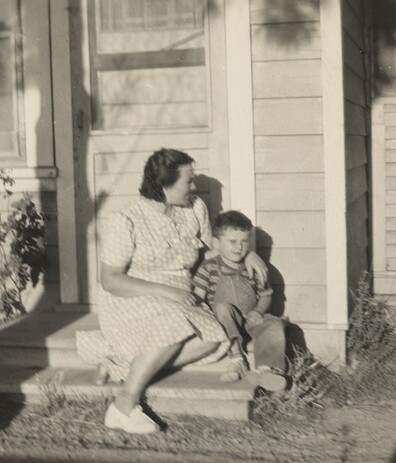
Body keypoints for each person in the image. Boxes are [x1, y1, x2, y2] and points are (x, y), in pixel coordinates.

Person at [76, 148, 268, 434]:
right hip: (133, 296)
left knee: (214, 338)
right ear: (164, 185)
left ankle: (125, 369)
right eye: (187, 181)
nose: (193, 188)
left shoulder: (194, 209)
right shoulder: (126, 218)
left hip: (181, 297)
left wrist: (246, 255)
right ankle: (124, 405)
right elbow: (111, 280)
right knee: (175, 324)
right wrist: (166, 292)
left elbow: (209, 251)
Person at [191, 210, 288, 391]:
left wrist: (258, 311)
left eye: (244, 242)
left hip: (251, 321)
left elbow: (266, 295)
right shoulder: (209, 267)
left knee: (275, 324)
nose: (239, 247)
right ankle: (237, 360)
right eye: (232, 242)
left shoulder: (253, 266)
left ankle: (266, 370)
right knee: (222, 308)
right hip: (224, 322)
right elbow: (198, 298)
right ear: (216, 243)